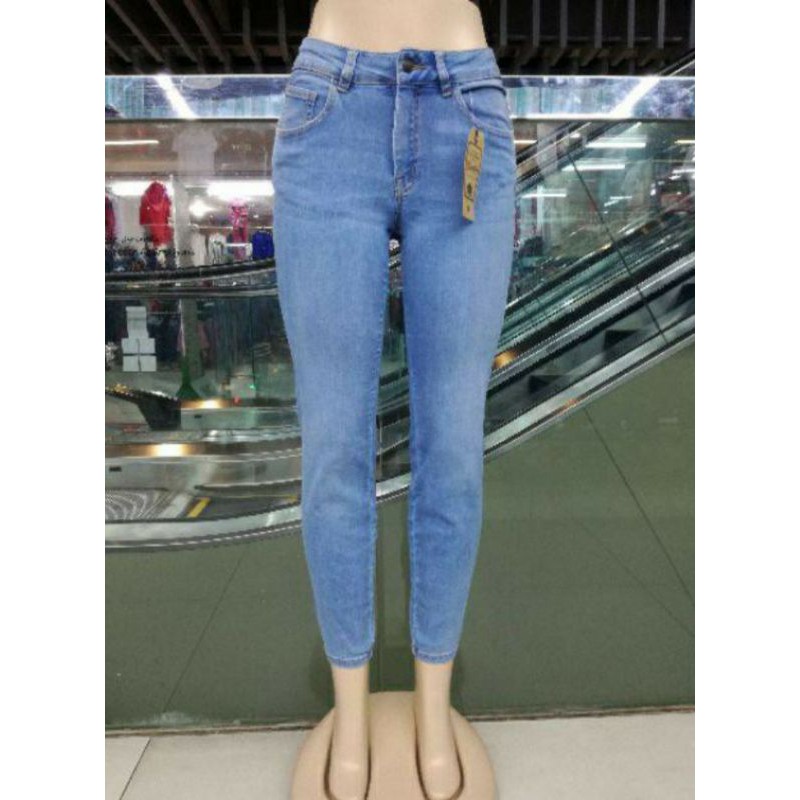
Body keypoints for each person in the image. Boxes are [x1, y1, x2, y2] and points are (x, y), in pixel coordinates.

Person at [272, 3, 514, 798]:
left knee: (455, 448)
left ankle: (433, 707)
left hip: (465, 104)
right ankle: (350, 710)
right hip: (330, 108)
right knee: (333, 446)